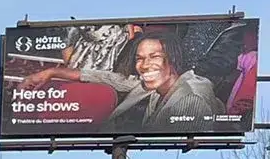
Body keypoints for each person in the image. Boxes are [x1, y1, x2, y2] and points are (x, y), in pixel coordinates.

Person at [28, 32, 220, 131]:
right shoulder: (158, 82)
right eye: (139, 58)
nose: (145, 65)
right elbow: (109, 77)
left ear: (173, 58)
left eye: (154, 57)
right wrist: (52, 72)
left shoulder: (190, 100)